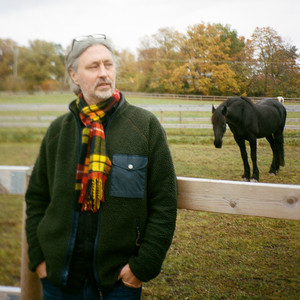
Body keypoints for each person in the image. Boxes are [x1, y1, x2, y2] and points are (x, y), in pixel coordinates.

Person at [25, 34, 177, 300]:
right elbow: (37, 198)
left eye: (108, 64)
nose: (104, 73)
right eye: (93, 66)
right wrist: (39, 259)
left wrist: (141, 268)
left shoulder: (145, 127)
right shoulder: (57, 132)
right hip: (59, 280)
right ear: (74, 75)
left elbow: (164, 202)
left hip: (117, 284)